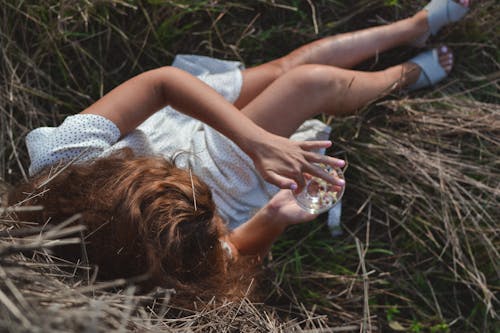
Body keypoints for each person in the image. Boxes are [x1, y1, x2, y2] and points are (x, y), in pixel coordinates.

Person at [8, 0, 470, 305]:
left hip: (174, 120)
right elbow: (228, 253)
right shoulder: (167, 269)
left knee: (285, 67)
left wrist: (254, 138)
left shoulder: (60, 162)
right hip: (221, 175)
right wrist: (272, 220)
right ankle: (405, 74)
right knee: (307, 81)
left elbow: (162, 85)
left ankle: (412, 27)